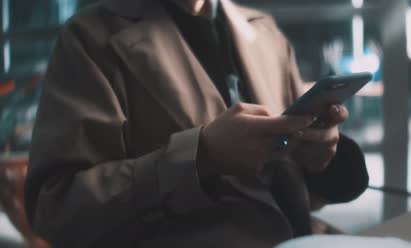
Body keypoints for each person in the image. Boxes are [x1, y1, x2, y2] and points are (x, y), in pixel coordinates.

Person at [24, 0, 369, 247]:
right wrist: (201, 157)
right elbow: (58, 213)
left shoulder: (263, 33)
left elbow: (287, 184)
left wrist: (320, 156)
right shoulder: (90, 40)